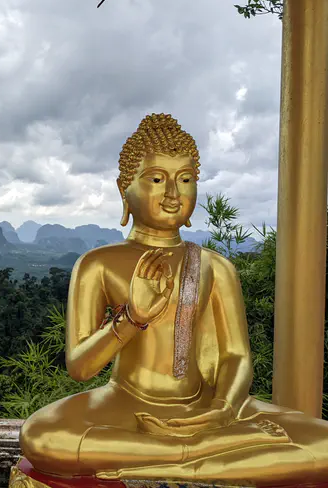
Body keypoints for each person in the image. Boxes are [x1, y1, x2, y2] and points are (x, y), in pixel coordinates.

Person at [19, 113, 328, 483]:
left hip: (207, 407)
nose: (172, 194)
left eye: (185, 179)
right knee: (42, 437)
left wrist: (223, 409)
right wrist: (132, 319)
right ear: (124, 189)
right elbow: (80, 367)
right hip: (125, 405)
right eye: (156, 179)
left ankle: (184, 454)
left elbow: (235, 355)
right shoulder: (98, 264)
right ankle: (198, 453)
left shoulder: (215, 266)